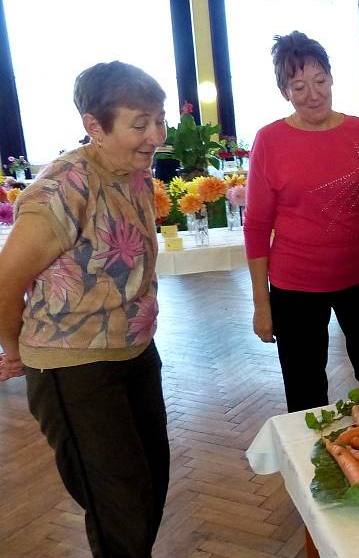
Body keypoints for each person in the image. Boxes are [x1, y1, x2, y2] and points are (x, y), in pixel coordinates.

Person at [0, 61, 169, 556]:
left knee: (150, 484)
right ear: (94, 126)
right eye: (139, 123)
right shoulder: (61, 189)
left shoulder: (135, 172)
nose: (155, 135)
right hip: (73, 365)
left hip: (134, 352)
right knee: (120, 505)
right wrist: (12, 348)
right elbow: (6, 281)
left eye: (158, 119)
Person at [244, 31, 359, 412]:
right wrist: (261, 305)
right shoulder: (269, 141)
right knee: (304, 389)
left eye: (320, 81)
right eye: (299, 86)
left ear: (331, 78)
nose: (313, 94)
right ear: (285, 91)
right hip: (295, 285)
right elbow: (256, 226)